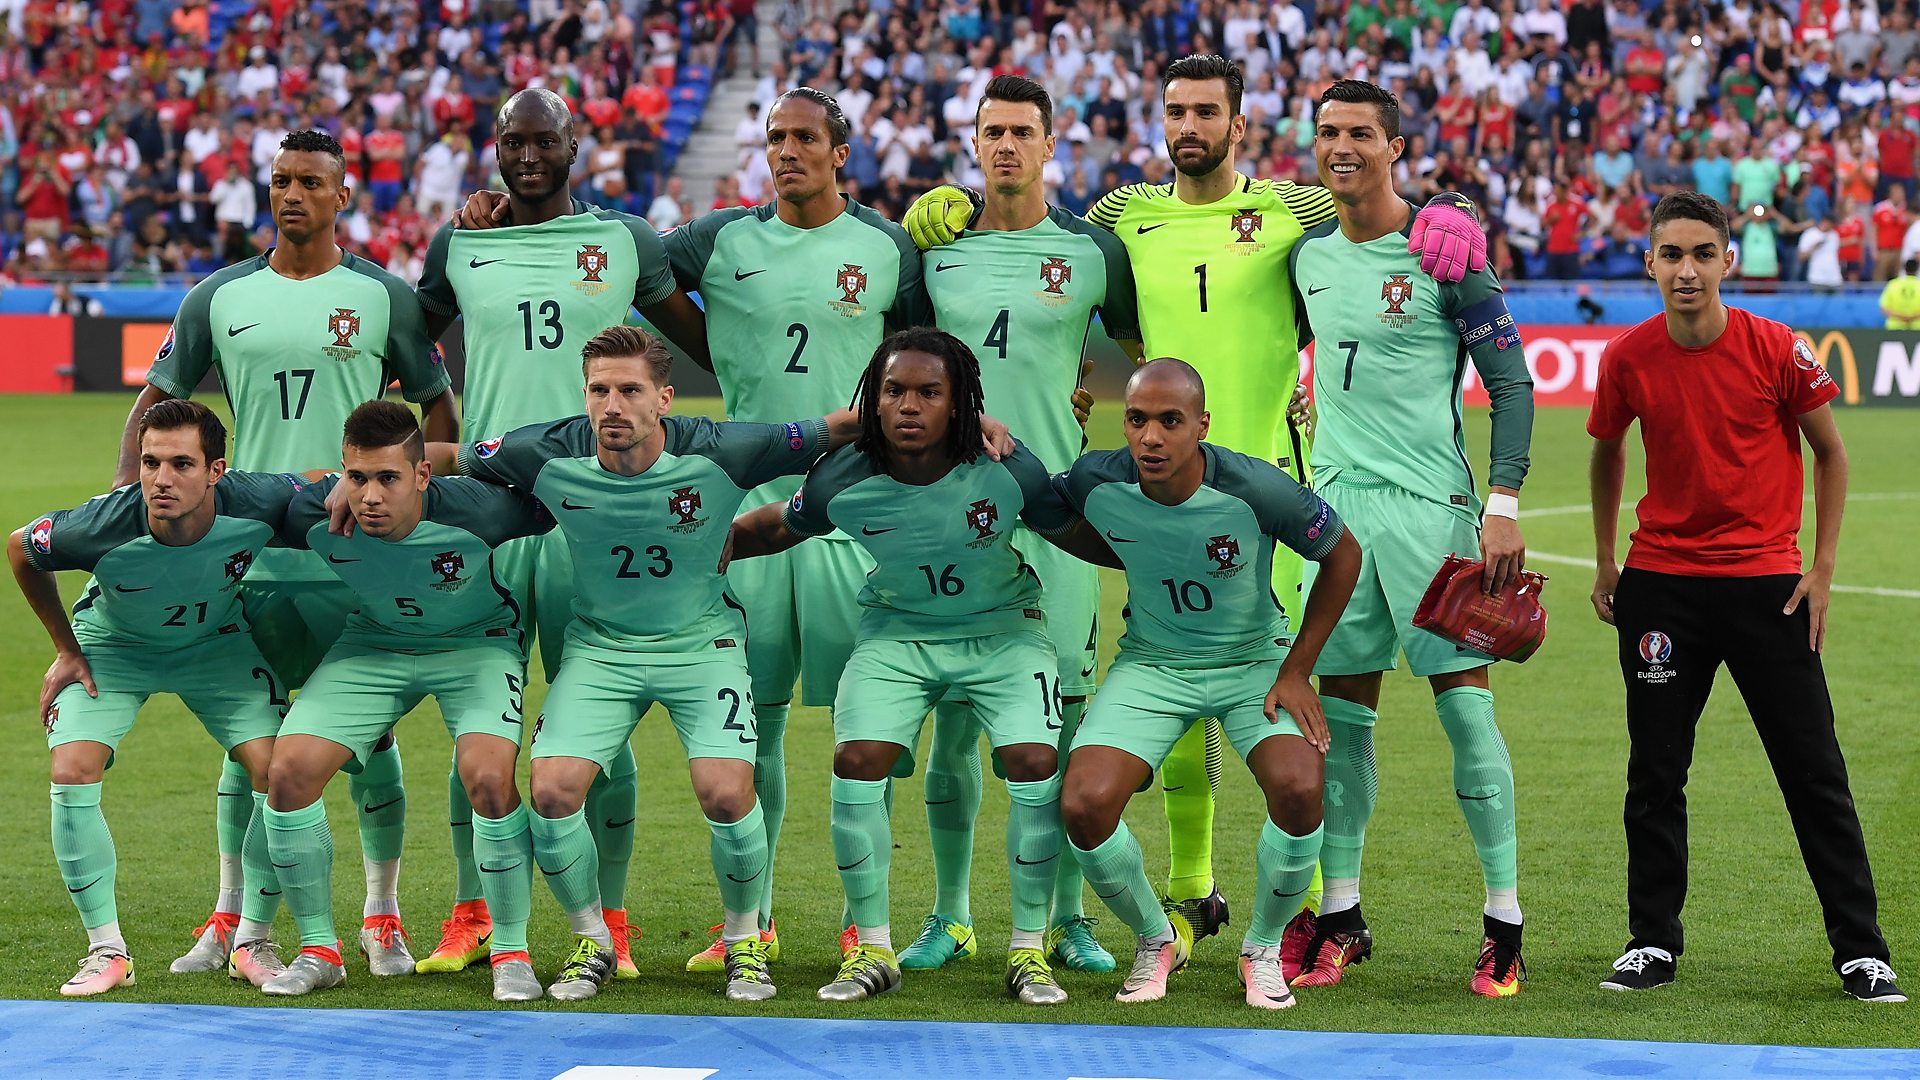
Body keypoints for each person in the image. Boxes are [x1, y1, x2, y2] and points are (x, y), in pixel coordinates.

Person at [906, 51, 1488, 951]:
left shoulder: (1292, 209)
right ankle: (1192, 887)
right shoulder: (1121, 218)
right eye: (1175, 111)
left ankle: (1319, 901)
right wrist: (942, 207)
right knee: (1176, 685)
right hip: (1167, 496)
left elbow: (1373, 201)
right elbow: (1048, 256)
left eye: (1207, 112)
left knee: (1290, 703)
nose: (1190, 127)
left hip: (1282, 495)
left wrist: (1457, 209)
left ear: (1238, 124)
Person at [115, 129, 452, 981]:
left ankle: (381, 916)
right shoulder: (219, 297)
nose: (291, 194)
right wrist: (132, 513)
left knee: (368, 738)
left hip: (355, 556)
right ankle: (235, 920)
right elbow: (156, 406)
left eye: (309, 182)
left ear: (343, 195)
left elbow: (438, 416)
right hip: (249, 561)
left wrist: (412, 499)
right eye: (279, 182)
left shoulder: (383, 297)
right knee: (251, 742)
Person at [445, 325, 864, 1003]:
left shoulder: (726, 449)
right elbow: (451, 458)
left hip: (703, 645)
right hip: (601, 648)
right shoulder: (542, 450)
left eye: (630, 390)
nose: (612, 405)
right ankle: (594, 941)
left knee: (727, 793)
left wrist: (972, 423)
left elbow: (832, 429)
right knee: (551, 792)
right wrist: (350, 483)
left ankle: (743, 941)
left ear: (664, 397)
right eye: (599, 389)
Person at [415, 89, 709, 978]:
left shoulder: (625, 241)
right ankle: (472, 913)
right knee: (480, 731)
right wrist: (433, 423)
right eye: (513, 141)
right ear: (494, 148)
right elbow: (402, 339)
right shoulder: (463, 240)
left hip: (596, 518)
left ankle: (608, 919)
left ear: (576, 146)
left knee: (597, 729)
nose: (529, 155)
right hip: (490, 519)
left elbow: (699, 342)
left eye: (545, 141)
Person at [1587, 191, 1905, 1005]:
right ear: (1649, 262)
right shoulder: (1628, 357)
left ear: (1729, 261)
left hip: (1769, 588)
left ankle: (1861, 950)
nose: (1686, 270)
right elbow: (1605, 453)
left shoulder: (1778, 348)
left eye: (1702, 253)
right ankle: (1650, 941)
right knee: (1655, 773)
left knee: (1813, 770)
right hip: (1662, 589)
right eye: (1671, 255)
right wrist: (1604, 561)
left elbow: (1831, 456)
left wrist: (1822, 567)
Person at [657, 87, 931, 968]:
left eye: (804, 137)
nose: (786, 151)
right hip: (746, 515)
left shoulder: (885, 246)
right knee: (754, 722)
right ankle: (755, 921)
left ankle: (867, 924)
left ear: (840, 150)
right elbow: (632, 267)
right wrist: (719, 346)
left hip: (856, 513)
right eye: (775, 137)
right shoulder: (720, 240)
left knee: (866, 729)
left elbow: (919, 369)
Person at [729, 327, 1075, 1005]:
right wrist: (703, 547)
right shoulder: (842, 475)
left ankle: (1030, 951)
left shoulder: (1007, 466)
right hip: (898, 633)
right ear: (873, 400)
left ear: (960, 405)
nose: (908, 405)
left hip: (1004, 630)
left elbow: (1076, 529)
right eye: (893, 391)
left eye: (928, 392)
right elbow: (777, 527)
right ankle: (874, 948)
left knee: (1035, 760)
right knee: (858, 757)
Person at [1288, 81, 1536, 997]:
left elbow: (1512, 385)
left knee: (1466, 713)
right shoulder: (1306, 254)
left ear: (1397, 146)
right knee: (1343, 720)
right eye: (1328, 133)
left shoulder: (1446, 250)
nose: (1342, 147)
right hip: (1339, 514)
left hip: (1431, 512)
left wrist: (1502, 501)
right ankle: (1344, 916)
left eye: (1361, 133)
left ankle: (1504, 923)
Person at [904, 74, 1141, 977]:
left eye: (1022, 132)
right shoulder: (937, 254)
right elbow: (907, 374)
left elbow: (1149, 350)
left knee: (1067, 726)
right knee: (958, 721)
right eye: (991, 131)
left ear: (1052, 144)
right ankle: (951, 913)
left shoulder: (1089, 253)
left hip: (1059, 517)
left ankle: (1069, 917)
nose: (1006, 145)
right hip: (952, 519)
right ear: (973, 144)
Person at [1052, 359, 1361, 1007]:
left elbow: (1342, 553)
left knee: (1302, 786)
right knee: (1082, 804)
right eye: (1137, 420)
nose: (1151, 438)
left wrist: (1299, 666)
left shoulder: (1257, 488)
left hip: (1254, 661)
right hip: (1152, 663)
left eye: (1170, 422)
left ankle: (1263, 949)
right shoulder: (1095, 480)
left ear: (1201, 426)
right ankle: (1155, 938)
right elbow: (1044, 508)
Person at [255, 402, 552, 1002]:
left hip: (477, 645)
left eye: (388, 478)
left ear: (422, 476)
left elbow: (567, 494)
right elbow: (230, 497)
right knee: (286, 772)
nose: (369, 496)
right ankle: (319, 949)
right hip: (374, 644)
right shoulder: (311, 513)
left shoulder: (482, 509)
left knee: (489, 780)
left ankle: (511, 951)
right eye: (356, 477)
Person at [9, 401, 307, 995]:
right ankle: (106, 951)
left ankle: (252, 939)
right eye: (149, 463)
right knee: (72, 768)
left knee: (281, 772)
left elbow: (327, 486)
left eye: (180, 464)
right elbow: (21, 547)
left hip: (216, 646)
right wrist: (67, 649)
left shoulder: (260, 500)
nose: (161, 480)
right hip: (114, 647)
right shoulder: (103, 524)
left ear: (216, 470)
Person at [1879, 258, 1920, 327]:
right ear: (1917, 269)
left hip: (1895, 328)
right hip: (1917, 329)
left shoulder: (1893, 284)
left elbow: (1884, 309)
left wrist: (1901, 317)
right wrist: (1911, 318)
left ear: (1904, 269)